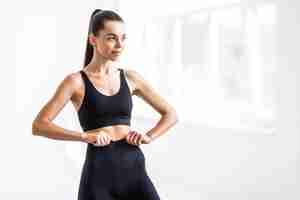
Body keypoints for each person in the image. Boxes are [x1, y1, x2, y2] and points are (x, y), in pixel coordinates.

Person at [32, 9, 178, 200]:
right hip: (98, 178)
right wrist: (84, 136)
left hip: (135, 173)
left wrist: (149, 136)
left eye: (123, 38)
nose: (120, 45)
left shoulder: (131, 78)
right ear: (93, 40)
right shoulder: (75, 82)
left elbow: (171, 114)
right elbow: (39, 125)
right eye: (111, 38)